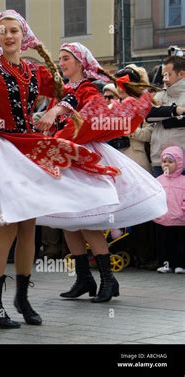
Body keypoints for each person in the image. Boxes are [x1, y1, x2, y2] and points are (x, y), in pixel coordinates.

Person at [0, 10, 124, 328]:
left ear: (23, 35)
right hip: (1, 148)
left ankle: (22, 299)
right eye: (3, 31)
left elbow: (70, 92)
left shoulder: (32, 71)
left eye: (14, 30)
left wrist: (54, 110)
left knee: (29, 228)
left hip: (27, 149)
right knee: (8, 226)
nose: (9, 36)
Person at [36, 43, 166, 302]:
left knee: (87, 221)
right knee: (67, 223)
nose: (61, 63)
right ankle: (84, 278)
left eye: (66, 59)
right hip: (65, 158)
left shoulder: (86, 88)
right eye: (60, 59)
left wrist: (57, 111)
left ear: (80, 62)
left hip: (84, 157)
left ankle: (108, 279)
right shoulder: (63, 90)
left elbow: (74, 107)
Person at [145, 56, 185, 177]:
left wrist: (164, 116)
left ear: (182, 74)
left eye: (168, 75)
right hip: (159, 160)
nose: (164, 79)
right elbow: (148, 114)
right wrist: (175, 111)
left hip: (181, 160)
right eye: (163, 75)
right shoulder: (160, 93)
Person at [153, 146, 185, 274]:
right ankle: (165, 264)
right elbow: (153, 197)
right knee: (164, 245)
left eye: (170, 162)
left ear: (179, 163)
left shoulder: (183, 181)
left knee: (180, 245)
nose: (166, 164)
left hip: (180, 220)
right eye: (164, 161)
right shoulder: (158, 181)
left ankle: (180, 265)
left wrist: (183, 210)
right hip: (163, 219)